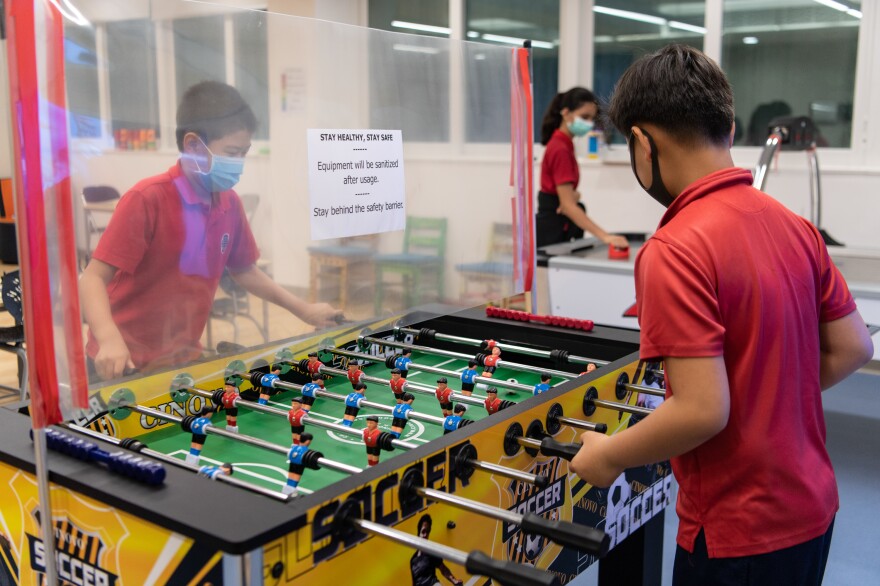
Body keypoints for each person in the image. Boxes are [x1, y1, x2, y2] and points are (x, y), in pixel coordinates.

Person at [569, 44, 873, 585]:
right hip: (813, 508)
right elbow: (854, 347)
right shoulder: (795, 226)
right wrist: (771, 396)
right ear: (729, 128)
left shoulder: (674, 246)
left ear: (642, 143)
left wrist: (610, 455)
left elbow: (702, 411)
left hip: (738, 530)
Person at [80, 81, 340, 381]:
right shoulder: (147, 198)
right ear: (193, 146)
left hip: (181, 360)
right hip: (121, 363)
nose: (239, 163)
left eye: (244, 153)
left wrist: (304, 309)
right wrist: (109, 339)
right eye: (231, 152)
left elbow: (245, 271)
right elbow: (92, 278)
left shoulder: (229, 203)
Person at [537, 87, 628, 250]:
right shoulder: (560, 148)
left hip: (557, 223)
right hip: (553, 230)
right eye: (584, 117)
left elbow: (567, 196)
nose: (588, 123)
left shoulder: (565, 144)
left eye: (591, 119)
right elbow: (568, 206)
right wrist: (605, 236)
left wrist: (573, 195)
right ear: (565, 113)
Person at [410, 514, 463, 586]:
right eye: (423, 531)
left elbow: (443, 569)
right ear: (418, 532)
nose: (425, 535)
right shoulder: (413, 560)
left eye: (428, 532)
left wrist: (454, 581)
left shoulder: (430, 551)